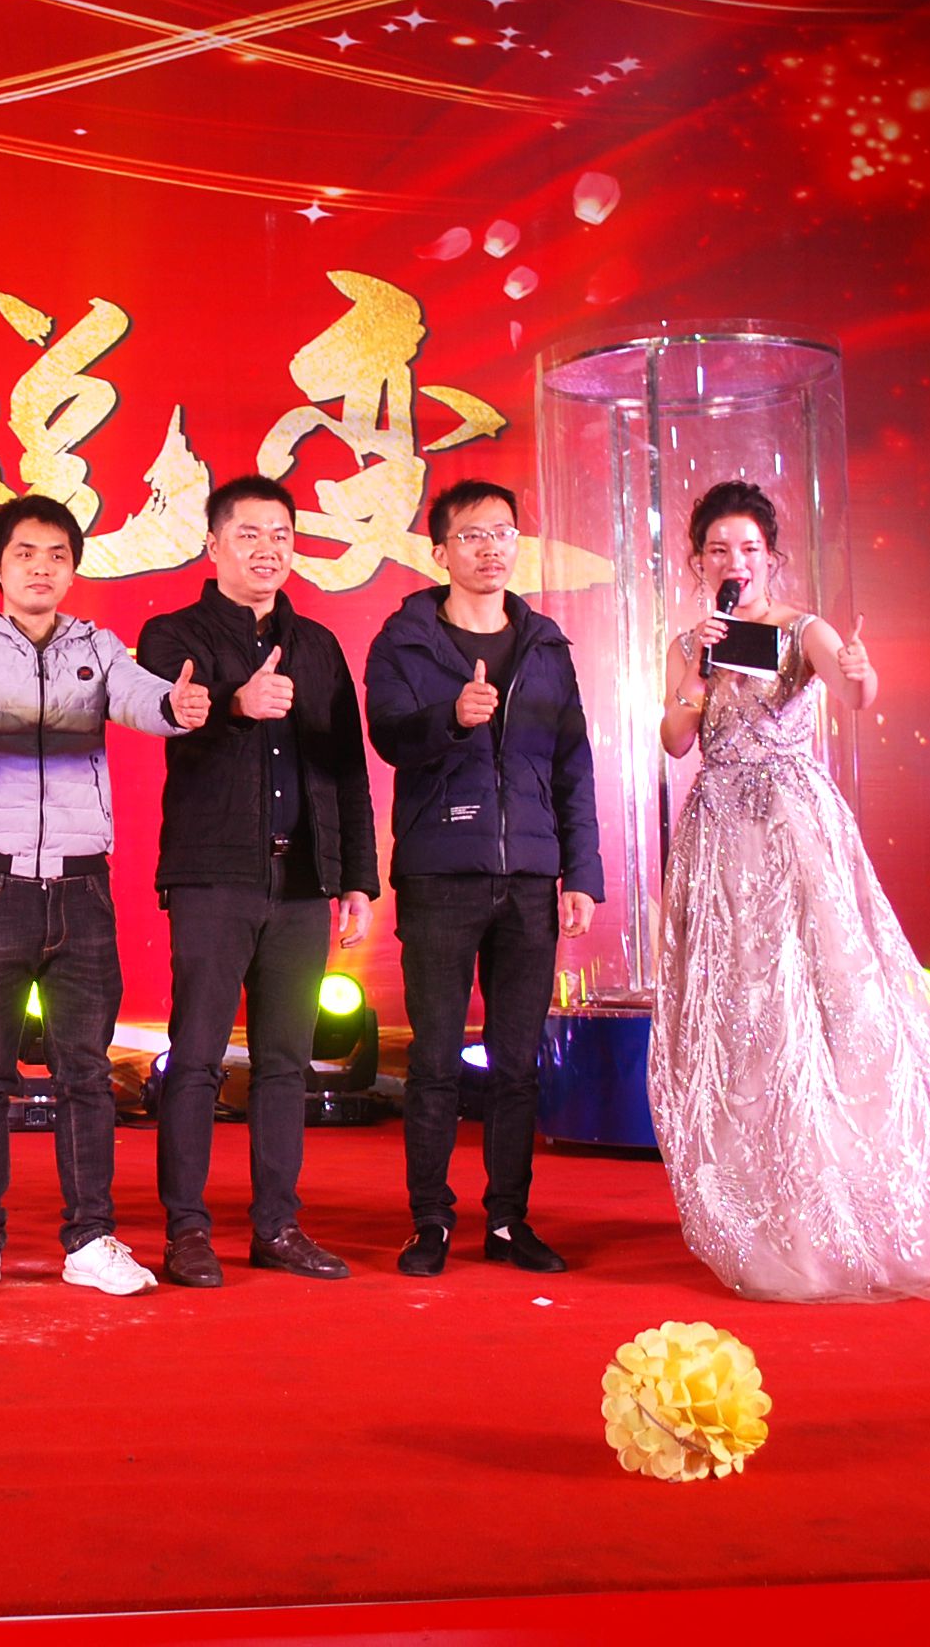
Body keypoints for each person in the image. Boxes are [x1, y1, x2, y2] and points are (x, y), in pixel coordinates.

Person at [652, 479, 930, 1302]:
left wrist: (860, 672)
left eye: (748, 549)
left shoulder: (801, 628)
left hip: (793, 827)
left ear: (771, 557)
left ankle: (850, 1206)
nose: (735, 562)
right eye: (718, 550)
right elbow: (674, 739)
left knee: (824, 1005)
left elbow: (853, 696)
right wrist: (696, 672)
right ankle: (770, 1212)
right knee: (743, 1018)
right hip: (719, 835)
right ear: (697, 562)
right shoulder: (689, 642)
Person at [0, 495, 212, 1300]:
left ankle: (91, 1238)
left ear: (73, 569)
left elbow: (141, 697)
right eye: (25, 553)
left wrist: (175, 708)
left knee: (85, 1073)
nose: (41, 568)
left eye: (57, 556)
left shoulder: (97, 647)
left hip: (82, 888)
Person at [135, 475, 380, 1287]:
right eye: (248, 534)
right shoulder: (172, 634)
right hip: (214, 876)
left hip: (303, 879)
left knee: (284, 1062)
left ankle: (277, 1225)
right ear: (214, 545)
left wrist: (356, 878)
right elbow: (171, 712)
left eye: (280, 534)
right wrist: (236, 703)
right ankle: (186, 1229)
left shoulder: (320, 646)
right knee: (197, 1058)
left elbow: (347, 769)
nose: (267, 549)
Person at [363, 480, 603, 1278]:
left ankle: (508, 1221)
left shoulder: (546, 645)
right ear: (440, 552)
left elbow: (572, 766)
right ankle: (430, 1221)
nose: (491, 548)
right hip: (441, 873)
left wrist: (581, 872)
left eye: (502, 532)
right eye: (472, 535)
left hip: (531, 877)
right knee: (434, 1060)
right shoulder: (405, 641)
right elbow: (388, 736)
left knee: (517, 1063)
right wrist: (450, 718)